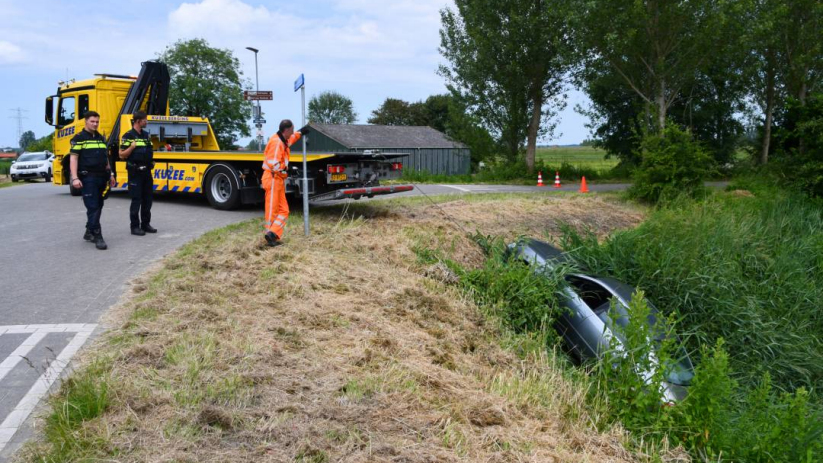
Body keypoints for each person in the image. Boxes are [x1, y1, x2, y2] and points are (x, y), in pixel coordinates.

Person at [69, 111, 116, 250]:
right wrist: (75, 178)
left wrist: (111, 173)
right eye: (92, 121)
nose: (95, 124)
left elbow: (105, 158)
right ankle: (97, 236)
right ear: (86, 122)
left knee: (99, 205)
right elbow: (73, 158)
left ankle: (89, 231)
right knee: (93, 206)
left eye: (97, 122)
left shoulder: (101, 138)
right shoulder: (79, 138)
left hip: (102, 176)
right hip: (88, 177)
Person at [261, 119, 307, 247]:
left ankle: (272, 233)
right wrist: (287, 168)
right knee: (272, 211)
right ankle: (270, 237)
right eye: (292, 130)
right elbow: (274, 164)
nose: (292, 133)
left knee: (284, 211)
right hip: (272, 178)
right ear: (286, 130)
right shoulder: (277, 143)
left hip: (278, 180)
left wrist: (300, 133)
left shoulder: (283, 140)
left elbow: (292, 139)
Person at [119, 110, 156, 235]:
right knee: (136, 200)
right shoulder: (128, 136)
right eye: (145, 120)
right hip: (135, 173)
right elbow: (121, 154)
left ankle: (145, 224)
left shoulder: (146, 135)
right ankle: (134, 227)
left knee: (148, 199)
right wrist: (132, 147)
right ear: (138, 121)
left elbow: (149, 150)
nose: (146, 122)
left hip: (146, 172)